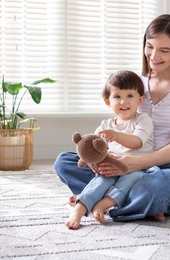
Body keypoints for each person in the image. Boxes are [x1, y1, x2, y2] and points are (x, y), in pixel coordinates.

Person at [54, 14, 170, 223]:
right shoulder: (136, 84)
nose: (154, 55)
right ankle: (131, 204)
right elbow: (119, 121)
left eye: (164, 50)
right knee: (65, 161)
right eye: (150, 46)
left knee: (166, 183)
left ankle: (96, 198)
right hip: (123, 167)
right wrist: (99, 158)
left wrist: (135, 164)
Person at [65, 70, 154, 229]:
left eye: (130, 96)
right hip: (109, 167)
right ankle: (79, 209)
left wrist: (117, 136)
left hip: (136, 168)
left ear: (140, 99)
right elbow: (92, 147)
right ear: (108, 101)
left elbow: (137, 142)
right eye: (117, 96)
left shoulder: (143, 120)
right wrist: (91, 161)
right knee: (100, 179)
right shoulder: (105, 125)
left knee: (133, 179)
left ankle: (103, 204)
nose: (123, 101)